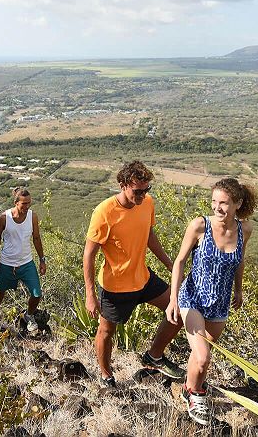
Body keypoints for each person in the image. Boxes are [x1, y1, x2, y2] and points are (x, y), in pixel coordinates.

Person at [83, 160, 185, 388]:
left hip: (144, 278)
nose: (142, 195)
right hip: (116, 287)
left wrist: (170, 264)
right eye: (137, 191)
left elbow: (149, 236)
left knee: (178, 311)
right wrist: (90, 294)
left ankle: (154, 355)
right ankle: (106, 374)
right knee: (106, 331)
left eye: (146, 189)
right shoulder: (104, 212)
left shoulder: (147, 203)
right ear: (122, 185)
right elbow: (88, 255)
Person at [166, 178, 256, 425]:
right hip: (193, 298)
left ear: (237, 203)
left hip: (220, 304)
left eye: (224, 203)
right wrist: (173, 300)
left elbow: (240, 261)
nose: (217, 207)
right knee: (204, 357)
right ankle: (196, 396)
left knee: (199, 356)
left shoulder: (244, 230)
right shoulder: (200, 226)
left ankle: (187, 387)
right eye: (214, 201)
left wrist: (239, 290)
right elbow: (180, 261)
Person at [0, 186, 46, 331]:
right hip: (7, 262)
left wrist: (42, 259)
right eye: (24, 203)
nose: (27, 206)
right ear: (16, 203)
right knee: (1, 289)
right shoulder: (4, 218)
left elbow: (36, 238)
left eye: (29, 203)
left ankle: (28, 315)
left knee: (36, 294)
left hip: (26, 262)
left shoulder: (33, 216)